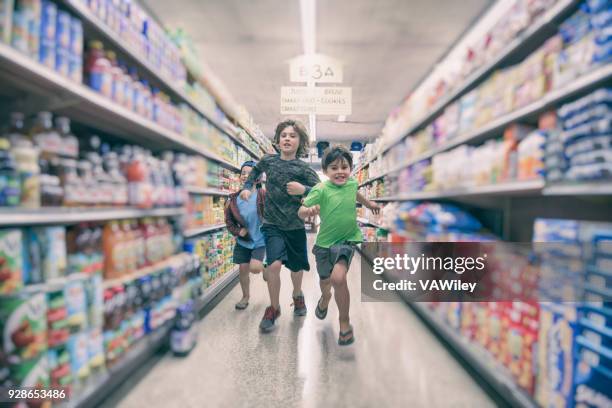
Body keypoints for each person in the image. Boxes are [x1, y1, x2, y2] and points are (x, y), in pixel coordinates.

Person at [240, 119, 320, 332]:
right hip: (272, 223)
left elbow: (322, 190)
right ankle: (274, 307)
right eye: (284, 135)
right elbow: (254, 173)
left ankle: (297, 294)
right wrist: (247, 187)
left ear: (300, 142)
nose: (287, 138)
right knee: (273, 266)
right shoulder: (268, 161)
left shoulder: (303, 168)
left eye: (293, 136)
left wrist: (304, 189)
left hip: (295, 225)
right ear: (277, 140)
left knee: (296, 267)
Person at [298, 145, 379, 345]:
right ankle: (325, 299)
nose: (340, 171)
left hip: (347, 240)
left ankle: (344, 322)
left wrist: (369, 204)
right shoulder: (321, 189)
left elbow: (356, 194)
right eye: (334, 168)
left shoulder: (352, 184)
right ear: (326, 171)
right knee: (326, 282)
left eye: (344, 167)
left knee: (338, 278)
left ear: (350, 169)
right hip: (324, 245)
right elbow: (301, 209)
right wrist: (306, 212)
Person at [225, 160, 266, 310]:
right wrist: (238, 231)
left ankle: (265, 265)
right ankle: (245, 297)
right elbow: (229, 222)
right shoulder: (233, 200)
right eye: (243, 173)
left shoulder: (263, 195)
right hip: (244, 240)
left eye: (250, 173)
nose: (246, 176)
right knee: (243, 269)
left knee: (255, 268)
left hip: (261, 240)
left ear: (258, 178)